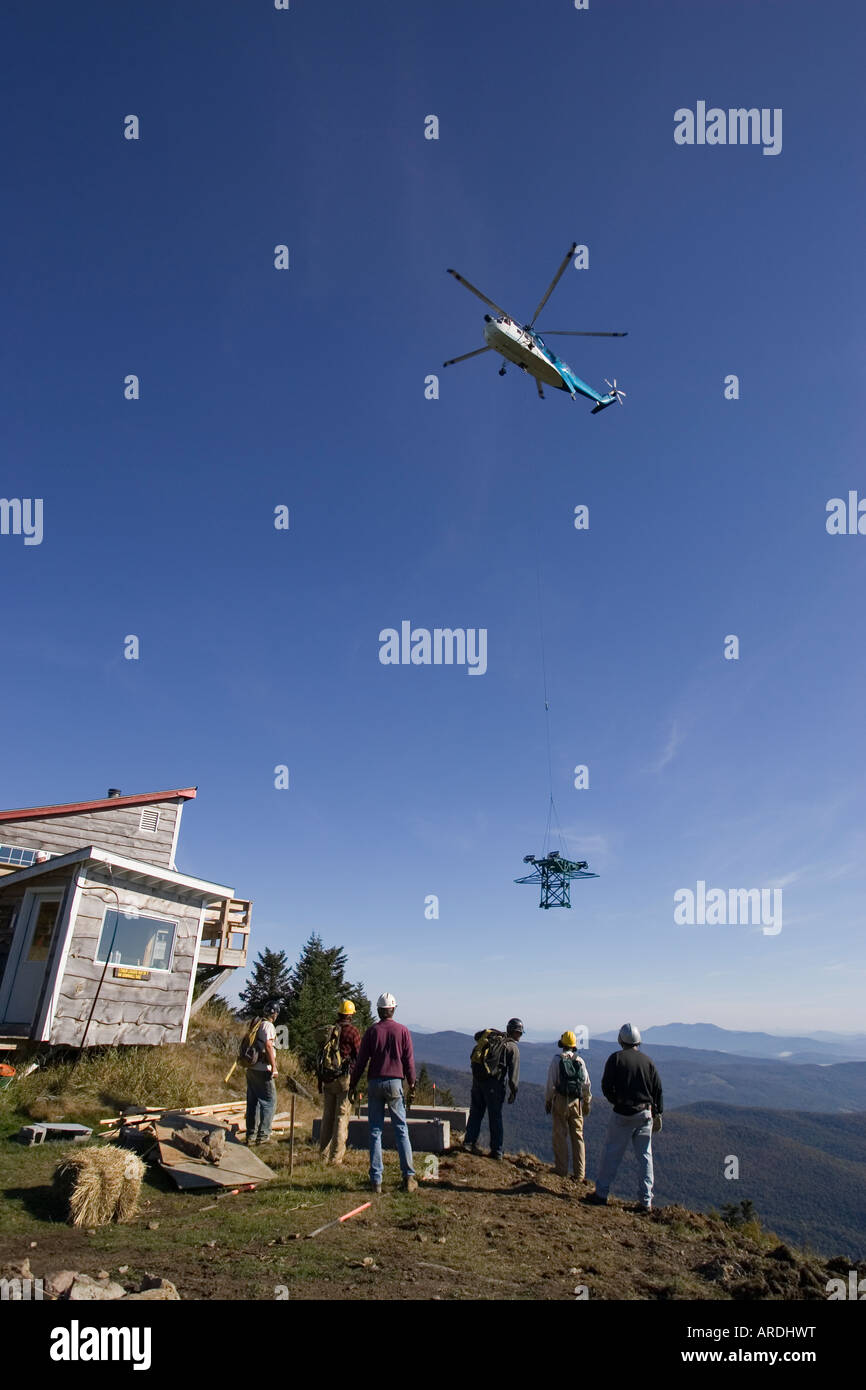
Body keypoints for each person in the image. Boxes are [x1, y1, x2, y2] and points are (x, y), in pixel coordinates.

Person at [587, 1023, 663, 1211]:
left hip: (623, 1114)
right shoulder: (648, 1061)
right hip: (645, 1114)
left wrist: (616, 1101)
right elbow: (657, 1089)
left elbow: (606, 1086)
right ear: (638, 1041)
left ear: (621, 1040)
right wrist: (658, 1112)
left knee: (611, 1154)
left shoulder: (616, 1059)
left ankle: (601, 1194)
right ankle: (646, 1201)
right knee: (645, 1157)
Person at [349, 992, 417, 1194]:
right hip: (395, 1083)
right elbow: (409, 1060)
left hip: (375, 1082)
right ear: (393, 1009)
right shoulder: (402, 1031)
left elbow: (361, 1061)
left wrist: (353, 1084)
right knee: (401, 1130)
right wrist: (412, 1083)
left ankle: (376, 1180)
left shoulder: (371, 1032)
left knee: (375, 1131)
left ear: (379, 1010)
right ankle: (408, 1177)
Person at [463, 1017, 523, 1160]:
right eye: (519, 1033)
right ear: (514, 1032)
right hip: (494, 1085)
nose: (519, 1036)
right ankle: (497, 1150)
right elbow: (513, 1073)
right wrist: (513, 1091)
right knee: (495, 1117)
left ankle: (468, 1142)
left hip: (478, 1081)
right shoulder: (512, 1047)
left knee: (476, 1112)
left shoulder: (492, 1039)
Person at [317, 999, 361, 1165]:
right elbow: (359, 1056)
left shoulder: (330, 1031)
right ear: (350, 1015)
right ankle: (335, 1159)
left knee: (327, 1117)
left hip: (328, 1078)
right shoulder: (352, 1032)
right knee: (341, 1118)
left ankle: (322, 1156)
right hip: (344, 1079)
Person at [545, 1030, 591, 1181]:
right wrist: (586, 1102)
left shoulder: (556, 1060)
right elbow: (586, 1084)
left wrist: (549, 1100)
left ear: (562, 1045)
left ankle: (561, 1169)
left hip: (560, 1101)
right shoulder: (580, 1061)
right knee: (578, 1137)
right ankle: (580, 1174)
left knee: (560, 1135)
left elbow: (551, 1083)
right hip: (576, 1102)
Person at [245, 1001, 279, 1144]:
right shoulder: (268, 1026)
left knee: (253, 1103)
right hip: (263, 1069)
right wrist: (274, 1067)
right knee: (269, 1102)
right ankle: (264, 1136)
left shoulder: (257, 1023)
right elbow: (268, 1046)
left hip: (251, 1068)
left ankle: (251, 1135)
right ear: (275, 1014)